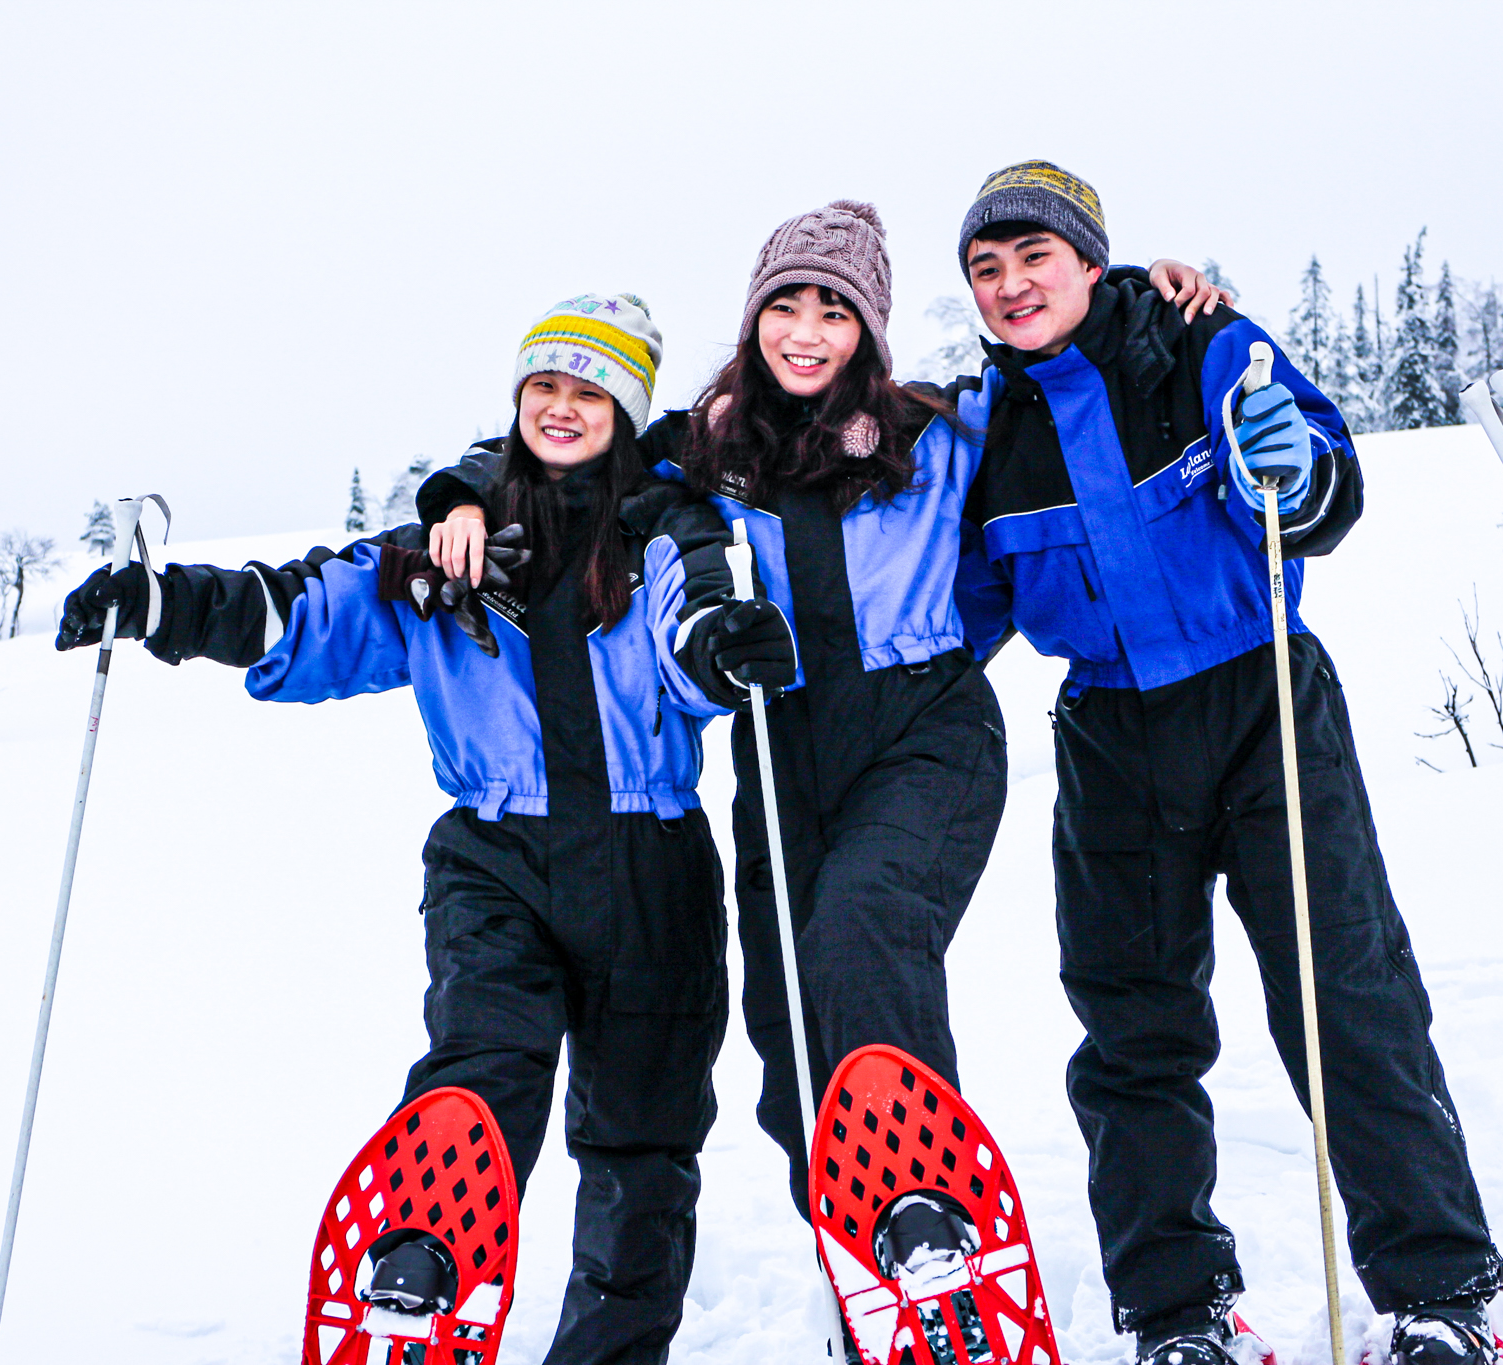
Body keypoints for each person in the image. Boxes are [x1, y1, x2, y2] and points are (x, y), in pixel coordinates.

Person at [418, 204, 1229, 1220]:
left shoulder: (940, 429)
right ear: (755, 319)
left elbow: (1059, 368)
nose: (805, 332)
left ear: (869, 333)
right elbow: (575, 451)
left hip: (921, 732)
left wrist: (1133, 297)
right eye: (785, 306)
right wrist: (462, 490)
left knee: (862, 933)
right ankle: (867, 1273)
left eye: (834, 312)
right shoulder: (700, 451)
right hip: (780, 751)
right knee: (791, 1030)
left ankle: (923, 1208)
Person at [53, 294, 736, 1365]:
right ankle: (417, 1274)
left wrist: (722, 647)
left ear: (626, 405)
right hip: (495, 855)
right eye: (542, 385)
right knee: (483, 1058)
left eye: (589, 388)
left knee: (641, 1141)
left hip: (648, 860)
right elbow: (308, 608)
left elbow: (691, 625)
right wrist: (163, 604)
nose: (561, 407)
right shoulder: (440, 549)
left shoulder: (662, 530)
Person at [947, 160, 1503, 1365]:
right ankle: (1175, 1314)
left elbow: (1321, 478)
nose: (1009, 286)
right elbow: (952, 617)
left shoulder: (1200, 341)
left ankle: (1435, 1294)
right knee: (1132, 1032)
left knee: (1344, 996)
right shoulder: (987, 430)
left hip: (1260, 694)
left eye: (1032, 257)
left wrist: (1290, 472)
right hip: (1109, 734)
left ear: (1088, 260)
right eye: (986, 270)